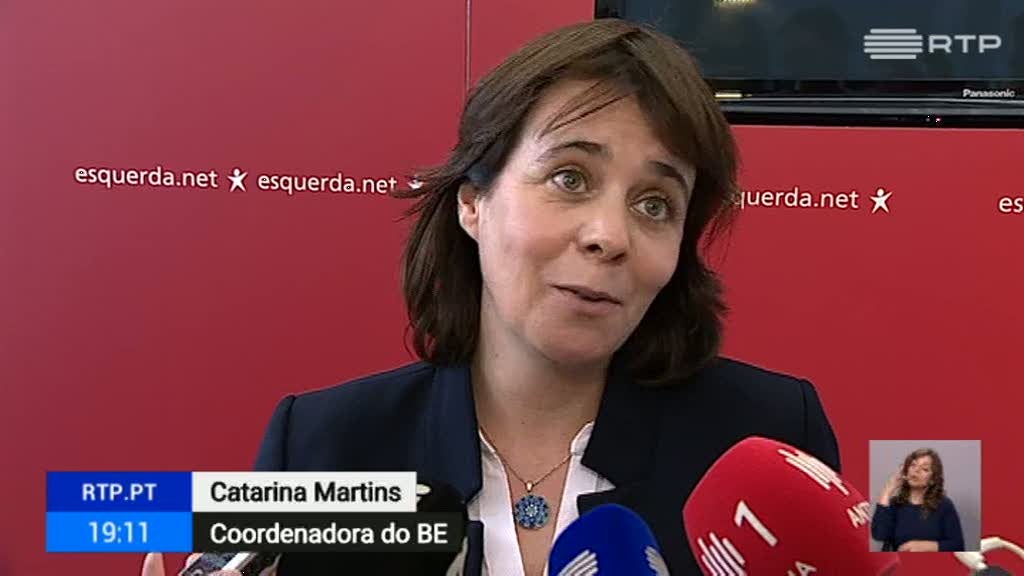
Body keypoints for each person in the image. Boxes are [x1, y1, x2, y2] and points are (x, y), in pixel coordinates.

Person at [143, 17, 840, 576]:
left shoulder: (767, 434)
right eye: (569, 178)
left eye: (655, 203)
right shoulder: (326, 443)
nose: (609, 235)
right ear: (473, 201)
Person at [872, 448, 965, 552]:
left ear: (932, 480)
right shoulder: (895, 503)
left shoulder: (944, 505)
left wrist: (923, 546)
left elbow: (958, 545)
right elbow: (879, 535)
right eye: (913, 465)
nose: (916, 470)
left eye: (925, 469)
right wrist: (887, 491)